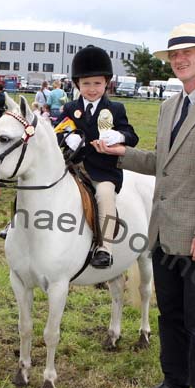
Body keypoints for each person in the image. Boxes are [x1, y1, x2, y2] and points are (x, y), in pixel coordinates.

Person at [93, 23, 195, 388]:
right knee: (170, 313)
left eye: (188, 54)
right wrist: (120, 153)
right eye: (174, 55)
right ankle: (174, 381)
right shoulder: (170, 106)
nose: (180, 60)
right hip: (162, 232)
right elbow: (163, 162)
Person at [59, 45, 139, 268]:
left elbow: (132, 136)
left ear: (106, 83)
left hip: (103, 170)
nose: (92, 89)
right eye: (86, 84)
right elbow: (57, 132)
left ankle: (105, 247)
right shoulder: (69, 108)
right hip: (73, 167)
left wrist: (118, 135)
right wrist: (68, 138)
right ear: (77, 85)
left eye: (97, 83)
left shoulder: (116, 109)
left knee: (104, 194)